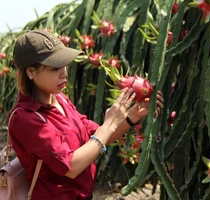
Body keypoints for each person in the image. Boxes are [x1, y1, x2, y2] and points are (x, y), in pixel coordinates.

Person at [9, 30, 164, 200]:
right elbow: (71, 167)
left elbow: (96, 136)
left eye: (65, 65)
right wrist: (109, 124)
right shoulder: (24, 118)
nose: (64, 73)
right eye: (55, 68)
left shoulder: (60, 100)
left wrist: (131, 117)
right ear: (31, 72)